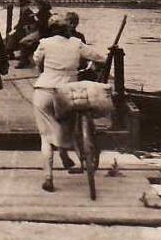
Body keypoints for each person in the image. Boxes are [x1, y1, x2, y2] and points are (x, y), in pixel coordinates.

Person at [32, 15, 106, 193]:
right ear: (68, 29)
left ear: (52, 29)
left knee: (45, 136)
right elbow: (100, 57)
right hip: (67, 92)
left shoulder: (45, 42)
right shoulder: (76, 43)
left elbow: (36, 61)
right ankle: (77, 156)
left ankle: (49, 177)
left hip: (44, 89)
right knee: (71, 127)